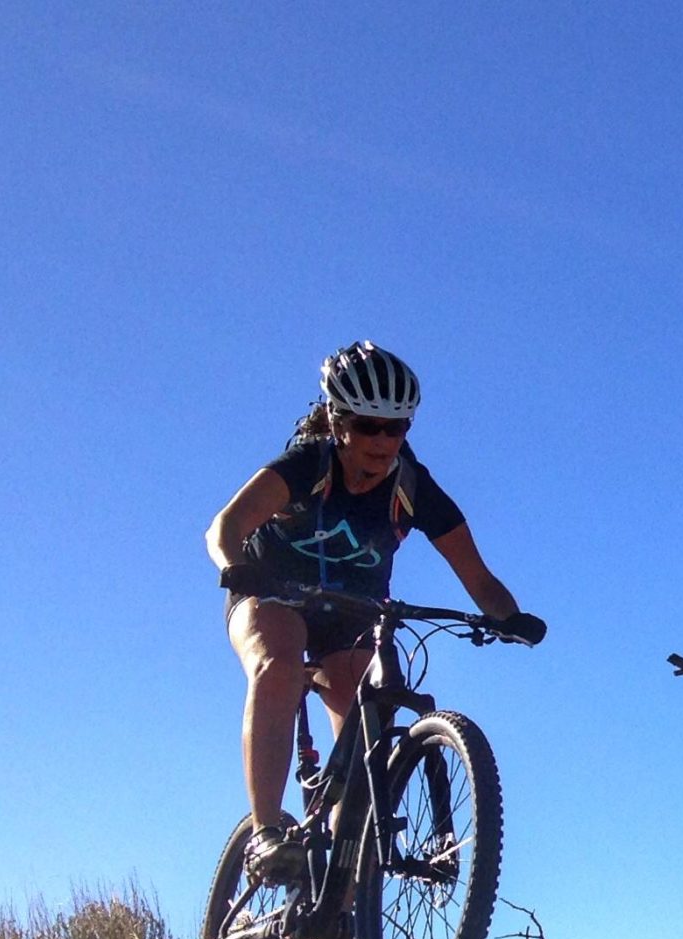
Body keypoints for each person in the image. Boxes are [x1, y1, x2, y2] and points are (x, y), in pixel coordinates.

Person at [205, 342, 543, 879]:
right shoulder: (305, 467)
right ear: (338, 422)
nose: (382, 440)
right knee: (279, 666)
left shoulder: (413, 486)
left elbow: (478, 578)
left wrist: (511, 618)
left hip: (351, 611)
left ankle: (343, 912)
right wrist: (234, 565)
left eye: (397, 427)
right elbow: (225, 527)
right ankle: (266, 832)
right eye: (367, 425)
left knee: (365, 731)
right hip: (270, 591)